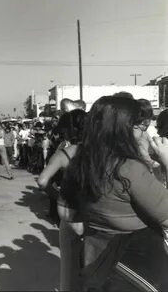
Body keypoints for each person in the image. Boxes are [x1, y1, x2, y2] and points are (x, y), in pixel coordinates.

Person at [59, 96, 168, 291]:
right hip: (137, 261)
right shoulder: (129, 168)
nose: (143, 132)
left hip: (97, 257)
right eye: (137, 125)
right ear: (123, 128)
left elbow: (66, 212)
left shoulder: (81, 161)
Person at [37, 109, 86, 291]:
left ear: (70, 130)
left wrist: (57, 196)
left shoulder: (65, 154)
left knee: (69, 272)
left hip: (71, 215)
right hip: (98, 216)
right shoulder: (101, 151)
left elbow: (42, 181)